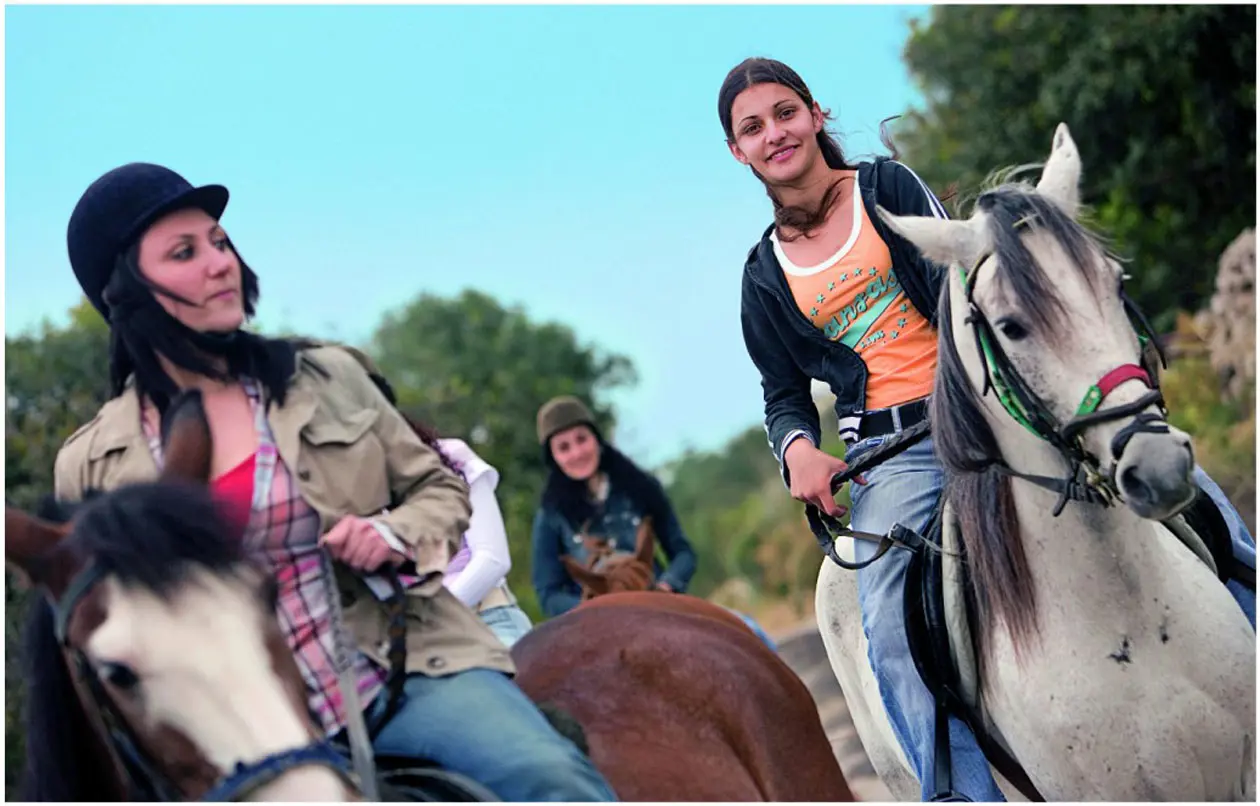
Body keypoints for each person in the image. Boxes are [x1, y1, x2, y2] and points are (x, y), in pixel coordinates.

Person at [718, 56, 1256, 802]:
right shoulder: (763, 276)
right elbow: (781, 392)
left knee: (1183, 483)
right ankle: (958, 790)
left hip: (979, 406)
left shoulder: (884, 190)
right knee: (882, 613)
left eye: (784, 113)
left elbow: (969, 286)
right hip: (889, 451)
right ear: (737, 152)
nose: (773, 133)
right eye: (753, 127)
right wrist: (799, 450)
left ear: (814, 115)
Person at [53, 162, 616, 802]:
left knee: (551, 779)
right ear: (125, 290)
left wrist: (391, 531)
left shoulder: (325, 376)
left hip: (402, 675)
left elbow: (440, 487)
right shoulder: (93, 465)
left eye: (219, 241)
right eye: (184, 252)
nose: (219, 262)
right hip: (241, 727)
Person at [531, 395, 697, 617]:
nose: (577, 453)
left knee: (746, 629)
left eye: (582, 439)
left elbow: (683, 553)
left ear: (597, 439)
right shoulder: (551, 515)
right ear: (554, 457)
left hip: (658, 604)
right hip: (596, 622)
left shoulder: (641, 487)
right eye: (564, 447)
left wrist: (666, 586)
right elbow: (548, 594)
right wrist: (598, 608)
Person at [424, 426, 535, 648]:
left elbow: (493, 560)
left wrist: (432, 618)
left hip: (486, 621)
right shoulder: (354, 490)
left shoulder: (447, 457)